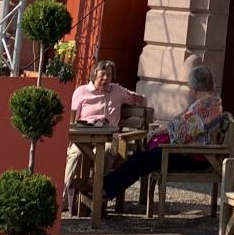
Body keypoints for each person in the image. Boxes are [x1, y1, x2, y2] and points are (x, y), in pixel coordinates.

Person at [100, 61, 225, 207]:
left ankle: (104, 189)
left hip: (194, 156)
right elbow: (183, 125)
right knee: (141, 158)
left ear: (194, 86)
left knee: (142, 159)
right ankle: (106, 188)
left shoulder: (205, 105)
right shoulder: (211, 101)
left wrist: (158, 132)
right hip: (190, 152)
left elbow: (181, 132)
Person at [63, 60, 147, 215]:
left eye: (109, 75)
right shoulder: (81, 92)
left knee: (107, 151)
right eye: (102, 74)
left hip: (108, 138)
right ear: (95, 74)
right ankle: (63, 198)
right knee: (76, 154)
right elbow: (72, 119)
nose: (105, 79)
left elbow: (142, 100)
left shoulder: (117, 91)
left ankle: (98, 193)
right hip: (84, 136)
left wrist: (137, 98)